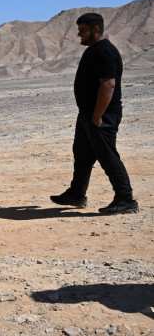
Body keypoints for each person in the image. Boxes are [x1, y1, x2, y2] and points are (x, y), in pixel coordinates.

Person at [50, 12, 138, 214]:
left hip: (101, 116)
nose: (79, 34)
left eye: (83, 30)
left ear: (96, 29)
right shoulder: (94, 50)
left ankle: (126, 199)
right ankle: (77, 194)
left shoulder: (104, 51)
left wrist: (98, 116)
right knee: (82, 155)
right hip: (88, 114)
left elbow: (108, 85)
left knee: (108, 156)